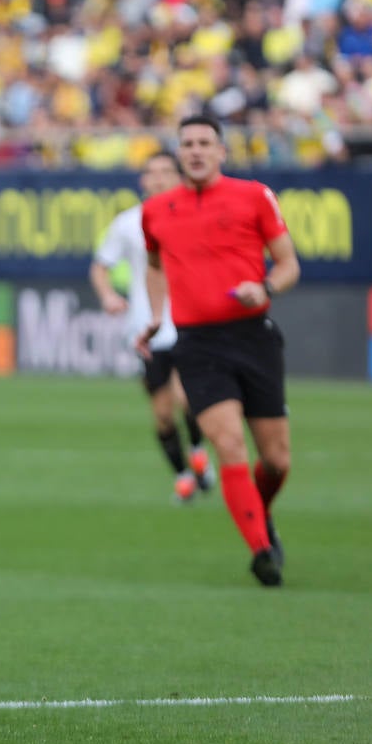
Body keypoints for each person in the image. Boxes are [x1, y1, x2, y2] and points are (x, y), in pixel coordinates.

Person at [138, 114, 299, 587]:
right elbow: (153, 265)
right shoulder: (157, 210)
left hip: (253, 336)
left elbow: (290, 265)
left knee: (276, 460)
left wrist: (265, 285)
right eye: (187, 143)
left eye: (205, 142)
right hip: (198, 344)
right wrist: (155, 313)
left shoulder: (254, 196)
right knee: (229, 445)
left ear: (221, 151)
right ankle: (262, 552)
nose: (195, 150)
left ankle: (259, 513)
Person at [90, 150, 213, 502]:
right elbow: (101, 266)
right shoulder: (129, 222)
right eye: (152, 172)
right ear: (142, 180)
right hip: (147, 327)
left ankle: (199, 449)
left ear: (179, 176)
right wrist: (109, 296)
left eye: (165, 172)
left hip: (190, 323)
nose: (158, 179)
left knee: (187, 398)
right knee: (162, 414)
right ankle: (184, 475)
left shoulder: (196, 214)